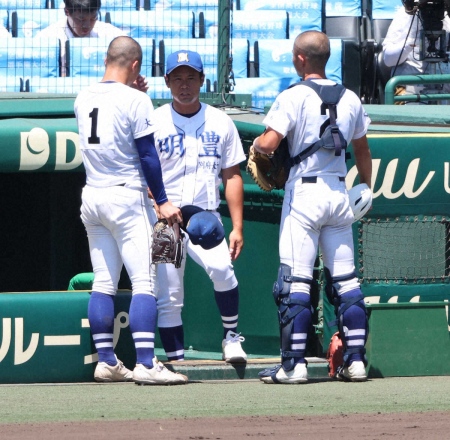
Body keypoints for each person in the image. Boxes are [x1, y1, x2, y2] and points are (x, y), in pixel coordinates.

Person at [253, 30, 372, 384]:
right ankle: (356, 361)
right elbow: (363, 151)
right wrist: (365, 186)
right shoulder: (350, 97)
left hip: (304, 195)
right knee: (347, 282)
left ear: (300, 59)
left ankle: (294, 365)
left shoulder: (293, 96)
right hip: (339, 193)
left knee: (295, 284)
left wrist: (259, 146)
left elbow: (269, 143)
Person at [74, 36, 187, 385]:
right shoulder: (137, 99)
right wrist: (164, 199)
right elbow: (148, 156)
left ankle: (107, 360)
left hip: (92, 195)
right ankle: (146, 363)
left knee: (104, 281)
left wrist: (133, 90)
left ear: (108, 59)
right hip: (126, 195)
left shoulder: (82, 96)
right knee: (145, 282)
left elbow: (112, 112)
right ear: (135, 65)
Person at [150, 50, 247, 363]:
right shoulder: (154, 121)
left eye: (191, 77)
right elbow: (143, 171)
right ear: (166, 81)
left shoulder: (220, 121)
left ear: (202, 80)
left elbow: (232, 175)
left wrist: (238, 227)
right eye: (177, 77)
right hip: (165, 220)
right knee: (169, 296)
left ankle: (231, 337)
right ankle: (176, 360)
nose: (184, 84)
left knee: (222, 270)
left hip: (206, 217)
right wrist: (156, 204)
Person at [35, 0, 125, 76]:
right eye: (81, 20)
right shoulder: (47, 38)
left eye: (93, 18)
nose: (87, 25)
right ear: (67, 12)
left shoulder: (111, 35)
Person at [382, 1, 450, 99]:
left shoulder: (447, 16)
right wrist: (409, 44)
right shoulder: (404, 16)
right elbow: (388, 60)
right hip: (409, 86)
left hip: (444, 85)